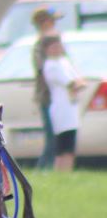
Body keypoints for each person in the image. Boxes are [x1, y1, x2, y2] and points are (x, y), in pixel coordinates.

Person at [42, 36, 85, 172]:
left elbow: (79, 79)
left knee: (70, 143)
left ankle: (68, 171)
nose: (57, 49)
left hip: (71, 106)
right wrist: (78, 83)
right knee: (63, 145)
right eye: (53, 47)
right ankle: (62, 171)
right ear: (46, 49)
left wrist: (79, 82)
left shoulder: (64, 62)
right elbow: (73, 83)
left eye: (58, 46)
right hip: (61, 108)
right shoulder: (51, 66)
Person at [32, 7, 63, 169]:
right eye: (52, 21)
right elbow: (43, 70)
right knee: (51, 139)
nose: (55, 25)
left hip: (58, 96)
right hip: (48, 97)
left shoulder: (54, 42)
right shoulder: (40, 46)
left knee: (57, 138)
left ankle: (49, 169)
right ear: (44, 23)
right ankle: (42, 169)